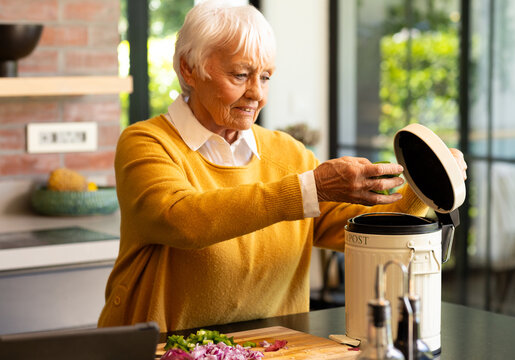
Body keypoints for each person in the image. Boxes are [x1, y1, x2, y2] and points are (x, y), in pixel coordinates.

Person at [98, 0, 467, 332]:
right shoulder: (147, 143)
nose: (257, 93)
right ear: (189, 69)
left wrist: (426, 188)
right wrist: (311, 189)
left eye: (266, 77)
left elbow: (362, 235)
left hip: (271, 349)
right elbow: (182, 219)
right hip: (160, 350)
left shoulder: (288, 154)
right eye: (240, 75)